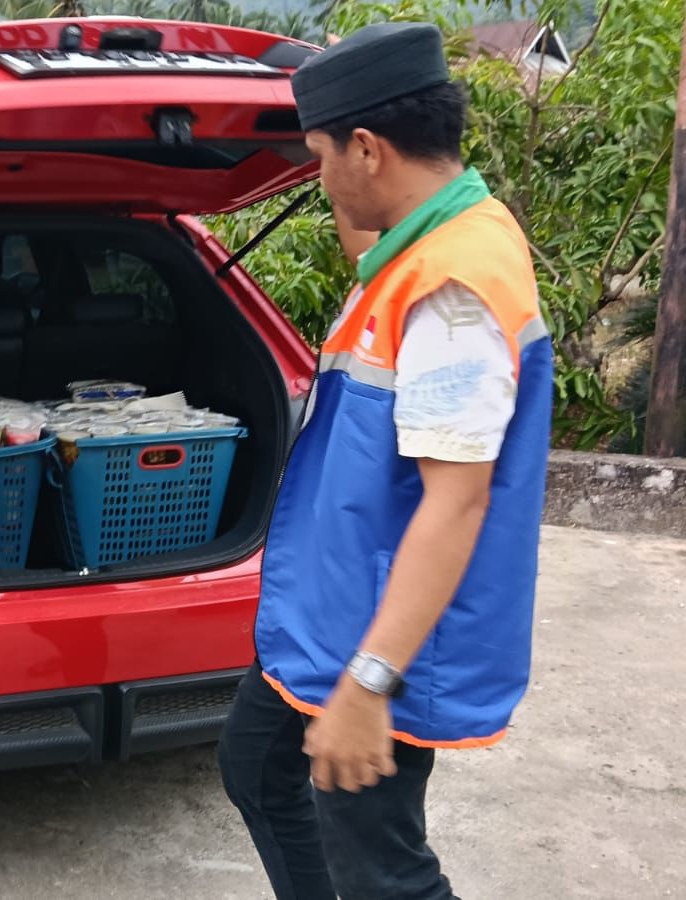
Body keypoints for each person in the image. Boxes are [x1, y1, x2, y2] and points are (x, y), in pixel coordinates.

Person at [218, 22, 552, 899]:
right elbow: (364, 248)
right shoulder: (431, 235)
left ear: (367, 149)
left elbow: (458, 502)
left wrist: (370, 684)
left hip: (387, 638)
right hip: (331, 611)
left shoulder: (450, 290)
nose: (318, 176)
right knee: (257, 764)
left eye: (321, 156)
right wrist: (337, 93)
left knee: (381, 873)